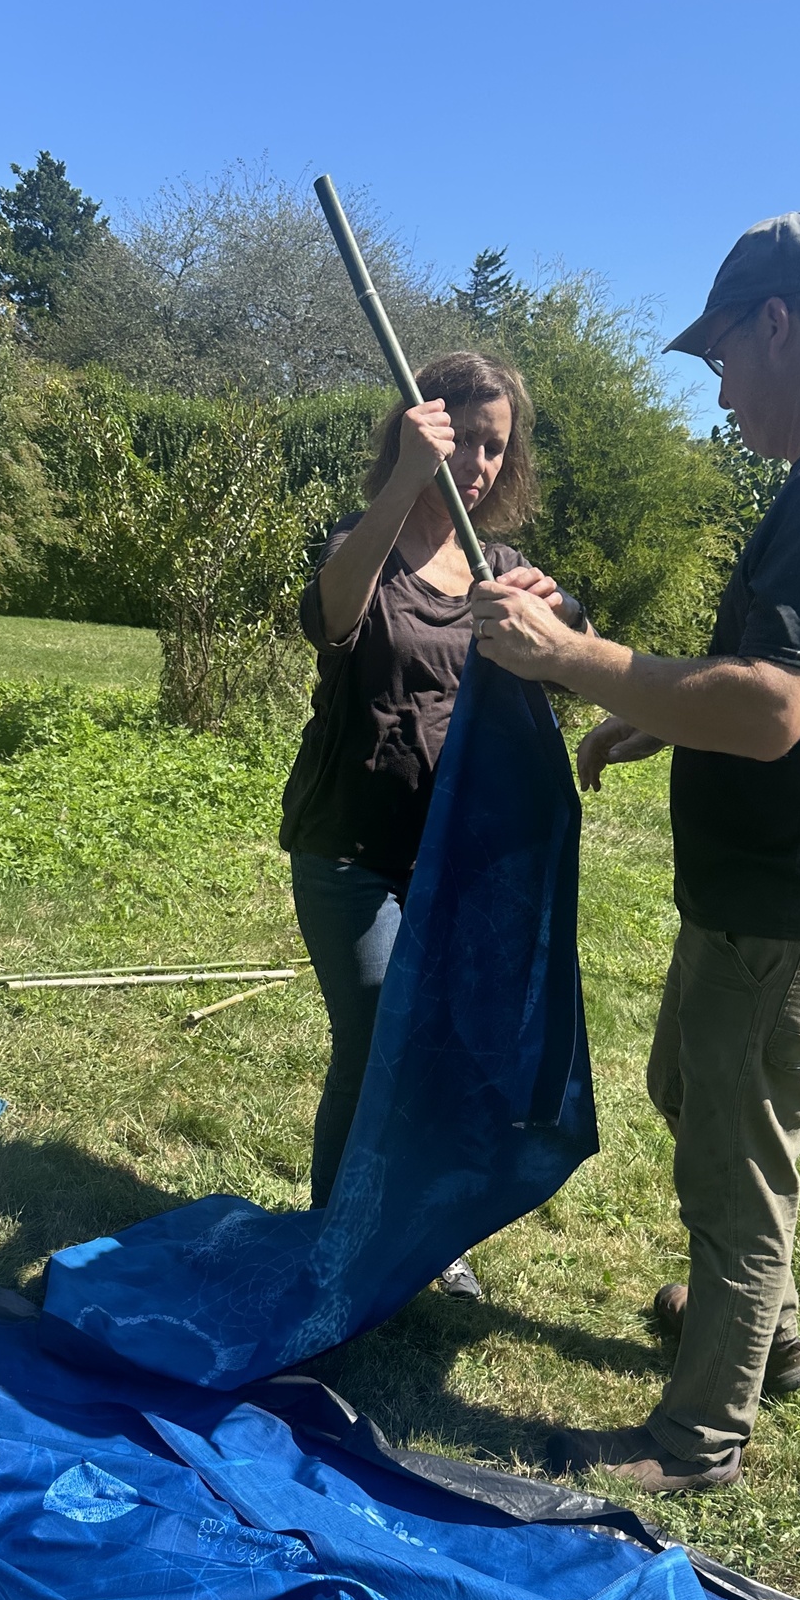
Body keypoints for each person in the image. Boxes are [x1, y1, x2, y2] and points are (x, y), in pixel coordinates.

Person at [470, 211, 800, 1492]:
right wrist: (648, 714)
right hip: (786, 887)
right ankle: (770, 1337)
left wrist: (570, 661)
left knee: (733, 1181)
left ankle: (697, 1441)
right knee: (690, 1086)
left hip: (798, 908)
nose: (721, 385)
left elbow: (771, 706)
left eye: (721, 355)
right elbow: (798, 681)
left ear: (777, 322)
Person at [281, 351, 584, 1298]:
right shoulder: (359, 540)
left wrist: (558, 614)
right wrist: (405, 483)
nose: (484, 466)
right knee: (375, 1041)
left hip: (454, 858)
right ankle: (338, 1239)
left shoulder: (498, 571)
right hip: (352, 846)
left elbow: (562, 649)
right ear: (424, 432)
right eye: (468, 442)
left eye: (499, 449)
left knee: (444, 1048)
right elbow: (333, 617)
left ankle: (425, 1234)